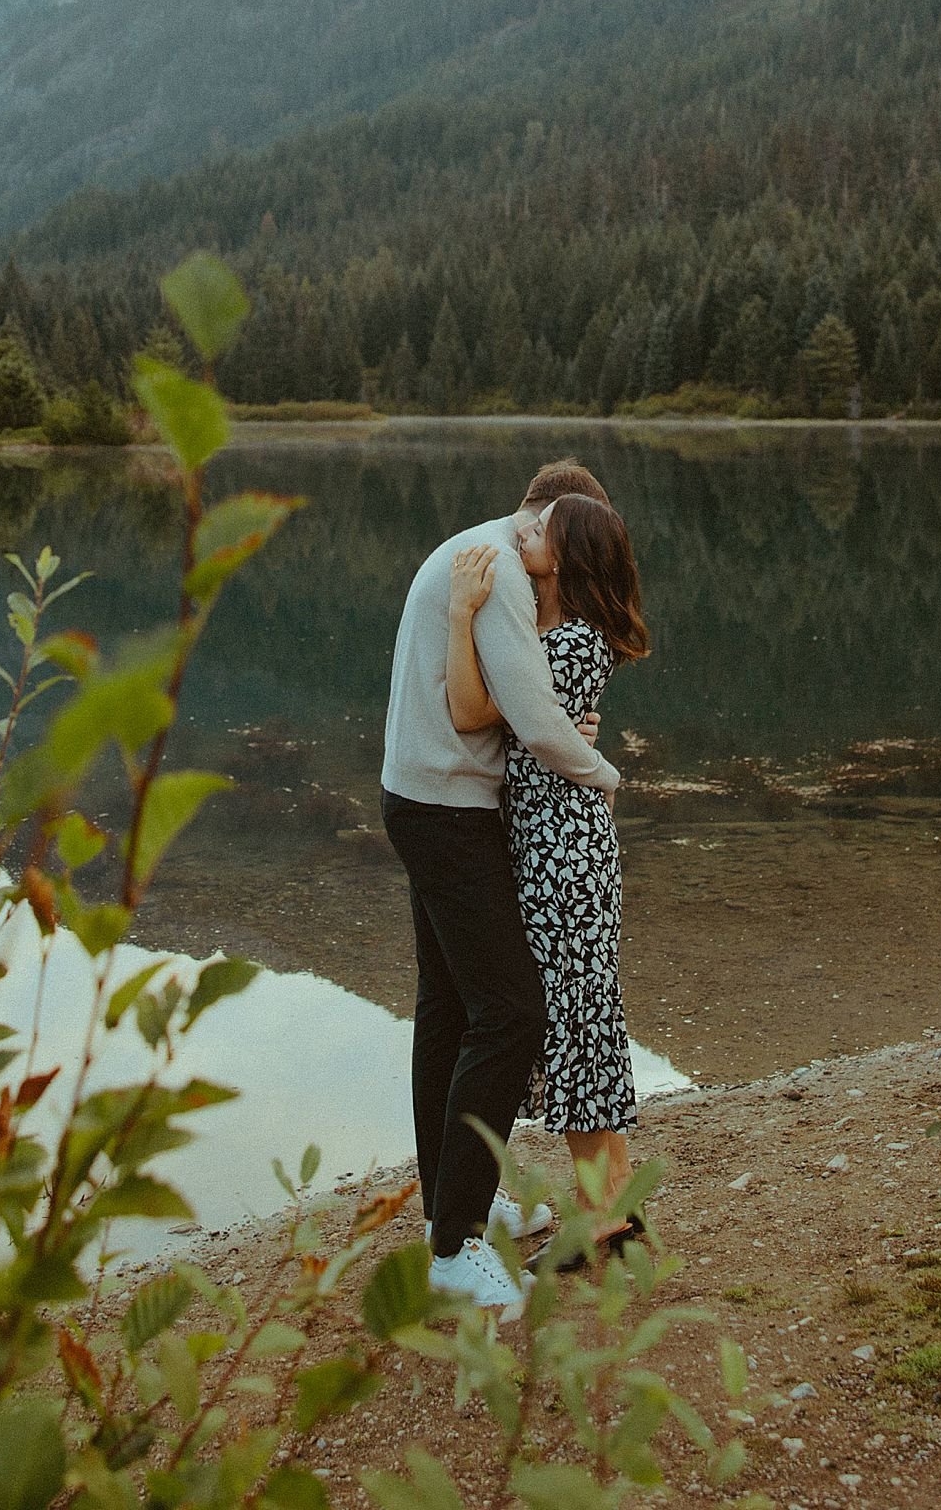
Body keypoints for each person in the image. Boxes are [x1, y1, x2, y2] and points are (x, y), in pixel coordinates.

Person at [381, 461, 621, 1316]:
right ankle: (454, 1249)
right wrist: (602, 768)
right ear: (553, 516)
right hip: (447, 812)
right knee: (512, 1011)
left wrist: (562, 719)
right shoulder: (503, 572)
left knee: (447, 1009)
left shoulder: (479, 550)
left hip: (424, 798)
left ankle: (456, 1207)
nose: (537, 545)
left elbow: (525, 701)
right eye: (548, 530)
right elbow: (507, 708)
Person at [446, 494, 650, 1259]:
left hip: (564, 852)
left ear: (562, 556)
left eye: (539, 528)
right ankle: (612, 1216)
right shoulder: (552, 632)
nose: (520, 530)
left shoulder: (568, 645)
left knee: (578, 1025)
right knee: (582, 1022)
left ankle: (607, 1217)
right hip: (554, 847)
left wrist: (462, 613)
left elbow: (469, 713)